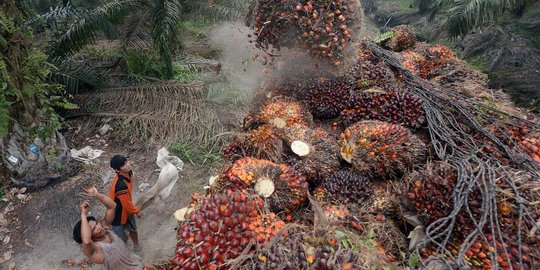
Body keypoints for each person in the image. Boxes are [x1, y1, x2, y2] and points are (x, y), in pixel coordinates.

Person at [73, 185, 142, 269]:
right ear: (89, 235)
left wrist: (97, 195)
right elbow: (87, 241)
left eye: (96, 224)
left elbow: (112, 206)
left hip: (137, 264)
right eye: (93, 229)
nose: (98, 227)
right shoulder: (95, 250)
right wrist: (83, 214)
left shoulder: (106, 229)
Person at [109, 154, 142, 252]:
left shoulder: (129, 173)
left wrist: (133, 210)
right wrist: (137, 211)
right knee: (121, 238)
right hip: (117, 214)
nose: (127, 165)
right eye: (123, 165)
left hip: (127, 209)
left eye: (126, 161)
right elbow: (127, 205)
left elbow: (127, 203)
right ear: (117, 170)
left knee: (132, 229)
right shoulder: (120, 185)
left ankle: (136, 246)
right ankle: (125, 253)